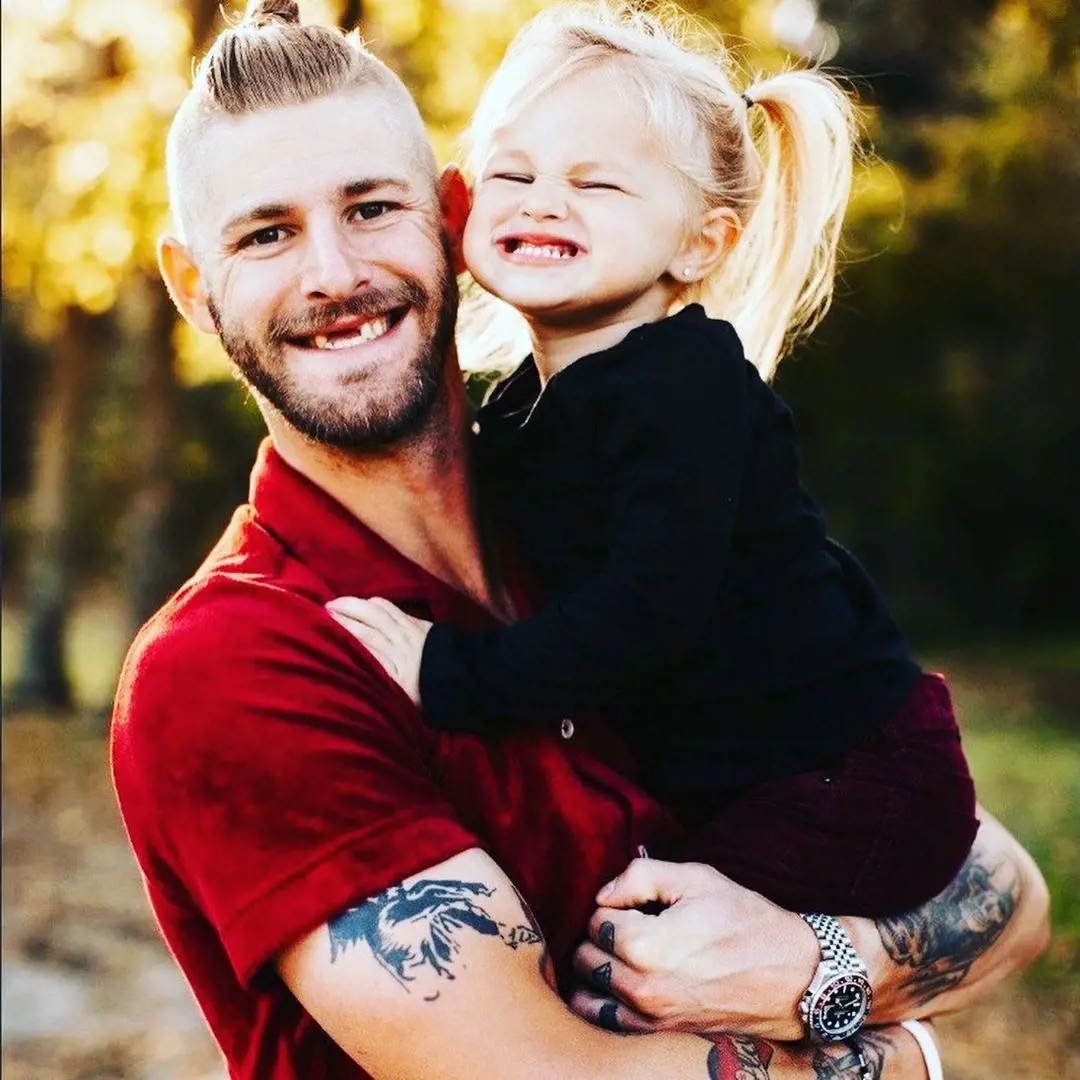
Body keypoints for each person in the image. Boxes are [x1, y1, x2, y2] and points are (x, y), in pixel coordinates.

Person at [109, 3, 1050, 1079]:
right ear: (193, 285)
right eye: (266, 232)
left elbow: (1007, 890)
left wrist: (814, 960)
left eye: (372, 208)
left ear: (452, 216)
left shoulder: (595, 507)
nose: (332, 272)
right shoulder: (234, 664)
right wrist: (903, 1060)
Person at [326, 2, 977, 922]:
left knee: (643, 960)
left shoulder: (685, 385)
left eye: (597, 187)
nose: (543, 200)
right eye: (513, 172)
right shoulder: (522, 405)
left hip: (850, 775)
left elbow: (645, 612)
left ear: (700, 243)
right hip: (758, 779)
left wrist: (454, 675)